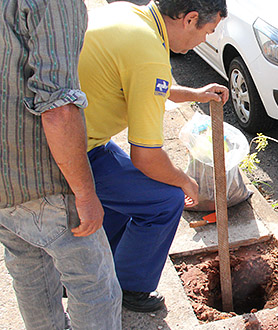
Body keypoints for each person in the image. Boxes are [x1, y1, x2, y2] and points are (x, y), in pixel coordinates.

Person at [78, 0, 229, 312]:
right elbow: (145, 157)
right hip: (70, 153)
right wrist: (185, 182)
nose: (205, 41)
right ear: (189, 19)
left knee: (130, 193)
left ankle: (92, 268)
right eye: (208, 31)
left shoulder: (130, 16)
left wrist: (196, 94)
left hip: (72, 139)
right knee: (164, 200)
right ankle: (129, 287)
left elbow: (150, 85)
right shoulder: (148, 52)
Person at [0, 0, 122, 328]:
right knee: (94, 285)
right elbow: (58, 107)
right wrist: (84, 193)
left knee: (30, 274)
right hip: (39, 176)